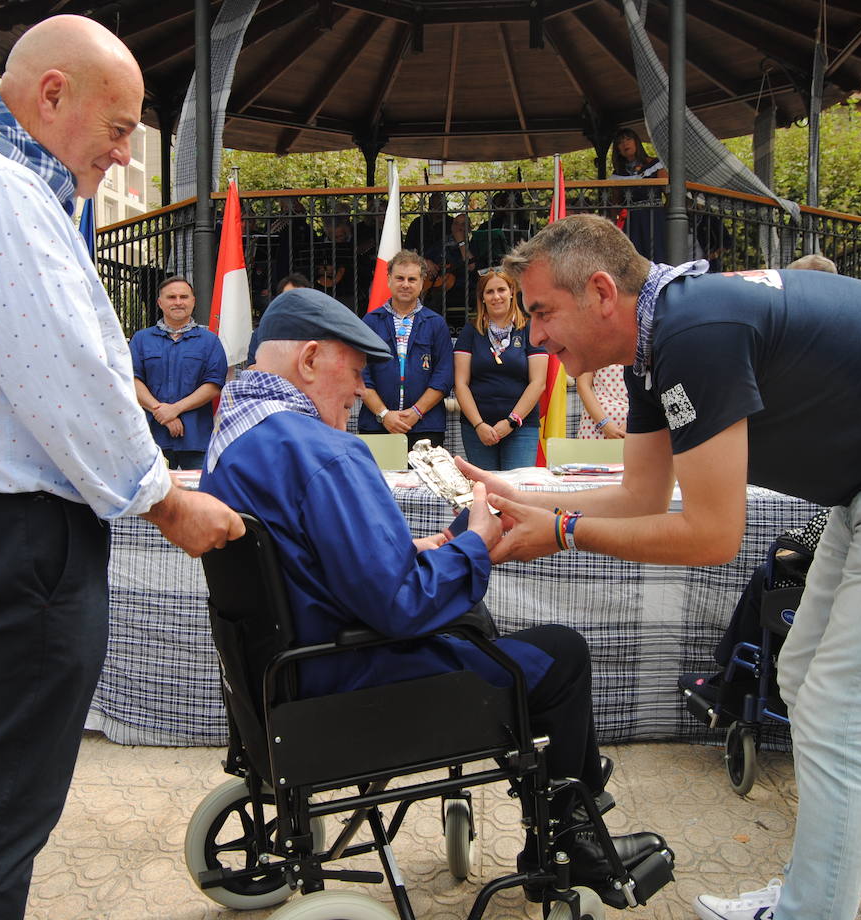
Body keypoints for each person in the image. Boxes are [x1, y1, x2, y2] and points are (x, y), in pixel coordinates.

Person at [462, 215, 861, 920]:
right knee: (804, 684)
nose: (535, 335)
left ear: (602, 291)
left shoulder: (693, 334)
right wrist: (526, 494)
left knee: (844, 717)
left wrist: (565, 532)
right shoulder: (657, 336)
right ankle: (806, 898)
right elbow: (641, 493)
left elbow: (712, 535)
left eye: (542, 311)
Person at [0, 16, 244, 920]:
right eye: (117, 129)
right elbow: (63, 368)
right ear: (51, 96)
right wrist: (162, 501)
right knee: (0, 813)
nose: (121, 154)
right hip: (21, 542)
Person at [200, 286, 669, 892]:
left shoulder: (233, 441)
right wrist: (475, 543)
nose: (359, 388)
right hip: (349, 679)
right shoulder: (328, 452)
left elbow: (308, 563)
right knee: (563, 654)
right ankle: (569, 835)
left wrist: (425, 549)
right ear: (310, 360)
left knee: (494, 631)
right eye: (356, 369)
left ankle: (567, 815)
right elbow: (402, 605)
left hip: (281, 678)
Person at [357, 250, 454, 449]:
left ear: (421, 282)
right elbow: (360, 375)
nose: (405, 284)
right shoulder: (370, 322)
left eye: (412, 279)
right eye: (400, 278)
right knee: (379, 481)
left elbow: (443, 377)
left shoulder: (436, 324)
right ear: (389, 280)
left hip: (425, 426)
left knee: (425, 481)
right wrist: (384, 415)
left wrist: (416, 412)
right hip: (377, 426)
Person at [130, 276, 228, 470]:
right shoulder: (141, 340)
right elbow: (132, 380)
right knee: (151, 498)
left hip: (196, 439)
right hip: (149, 437)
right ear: (160, 302)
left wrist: (175, 410)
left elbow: (214, 385)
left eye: (183, 297)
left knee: (197, 496)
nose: (178, 302)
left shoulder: (210, 341)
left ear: (193, 301)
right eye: (171, 297)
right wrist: (161, 411)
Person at [452, 268, 546, 470]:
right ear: (482, 298)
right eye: (489, 292)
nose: (496, 297)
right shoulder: (470, 332)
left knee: (517, 491)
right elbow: (460, 384)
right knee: (484, 490)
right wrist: (479, 425)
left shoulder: (530, 330)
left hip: (521, 427)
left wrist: (511, 422)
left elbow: (538, 383)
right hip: (477, 430)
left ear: (512, 292)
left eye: (501, 290)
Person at [610, 128, 667, 263]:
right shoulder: (618, 173)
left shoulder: (655, 164)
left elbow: (669, 193)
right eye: (620, 142)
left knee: (656, 256)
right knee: (635, 259)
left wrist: (663, 214)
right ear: (617, 149)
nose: (625, 144)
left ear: (636, 142)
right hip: (633, 220)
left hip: (654, 217)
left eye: (628, 139)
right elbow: (615, 203)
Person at [575, 367, 628, 440]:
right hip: (595, 425)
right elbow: (583, 385)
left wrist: (631, 423)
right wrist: (604, 424)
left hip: (638, 423)